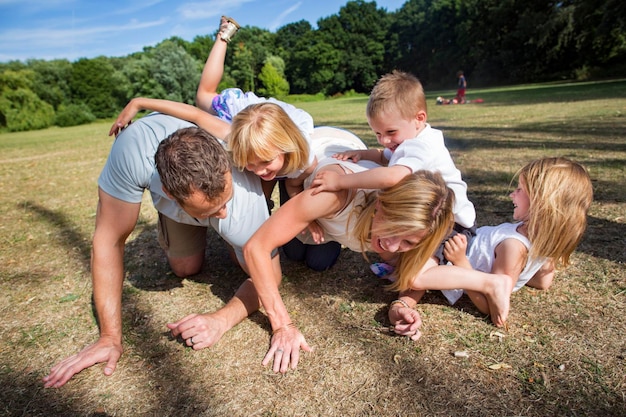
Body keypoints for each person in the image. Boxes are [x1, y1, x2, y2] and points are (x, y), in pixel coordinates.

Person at [43, 113, 281, 388]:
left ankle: (228, 234)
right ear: (169, 193)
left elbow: (271, 278)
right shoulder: (132, 150)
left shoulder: (239, 197)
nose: (224, 213)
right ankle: (185, 219)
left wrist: (221, 320)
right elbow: (108, 240)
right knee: (185, 267)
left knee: (240, 239)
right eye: (213, 210)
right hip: (175, 197)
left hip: (230, 201)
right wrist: (109, 337)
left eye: (224, 202)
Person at [243, 152, 513, 374]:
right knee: (297, 254)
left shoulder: (411, 227)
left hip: (335, 224)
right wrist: (283, 326)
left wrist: (403, 305)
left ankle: (491, 282)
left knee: (319, 260)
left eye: (408, 242)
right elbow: (256, 247)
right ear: (382, 201)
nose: (395, 247)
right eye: (393, 230)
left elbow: (413, 273)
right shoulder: (333, 196)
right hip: (317, 173)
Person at [310, 70, 476, 273]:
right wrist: (362, 154)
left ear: (419, 118)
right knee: (407, 259)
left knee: (419, 273)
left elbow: (392, 176)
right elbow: (382, 156)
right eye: (377, 133)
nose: (384, 140)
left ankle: (477, 282)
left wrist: (340, 182)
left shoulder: (421, 147)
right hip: (426, 219)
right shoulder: (410, 142)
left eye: (390, 132)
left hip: (451, 225)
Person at [441, 157, 593, 314]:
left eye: (520, 189)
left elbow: (490, 306)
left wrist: (461, 262)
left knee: (417, 277)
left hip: (448, 259)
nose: (512, 195)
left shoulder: (513, 247)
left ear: (540, 203)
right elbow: (543, 282)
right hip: (460, 243)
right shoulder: (541, 243)